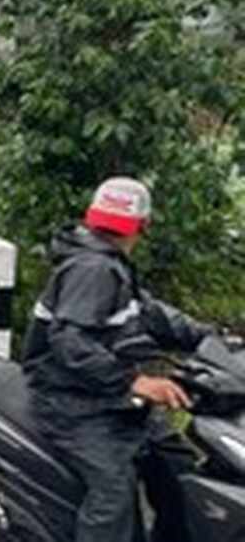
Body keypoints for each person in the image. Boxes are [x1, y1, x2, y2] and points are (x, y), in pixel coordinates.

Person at [22, 177, 214, 542]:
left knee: (178, 468)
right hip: (72, 402)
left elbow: (150, 312)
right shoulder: (92, 268)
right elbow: (69, 340)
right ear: (143, 226)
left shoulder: (110, 260)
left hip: (107, 396)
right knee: (114, 492)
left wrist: (211, 340)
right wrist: (132, 381)